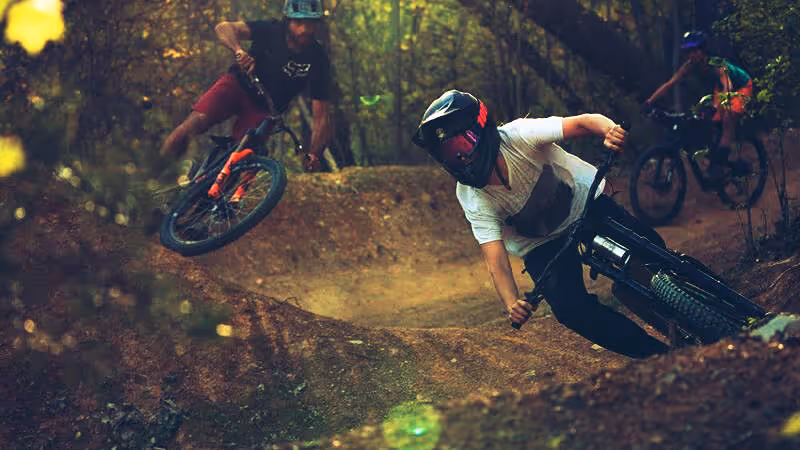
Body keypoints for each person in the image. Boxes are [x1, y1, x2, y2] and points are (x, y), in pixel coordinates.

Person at [412, 89, 670, 359]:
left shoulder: (520, 135)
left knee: (651, 248)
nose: (460, 158)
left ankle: (689, 300)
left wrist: (609, 130)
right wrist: (512, 303)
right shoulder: (472, 196)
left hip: (583, 204)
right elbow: (495, 259)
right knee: (571, 311)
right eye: (450, 153)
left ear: (482, 127)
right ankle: (656, 355)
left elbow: (582, 122)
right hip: (540, 244)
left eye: (462, 145)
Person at [158, 0, 331, 178]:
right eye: (298, 22)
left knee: (244, 162)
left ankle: (213, 202)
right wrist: (239, 50)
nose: (304, 29)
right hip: (237, 85)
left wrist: (315, 154)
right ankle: (154, 178)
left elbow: (322, 117)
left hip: (266, 110)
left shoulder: (318, 59)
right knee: (195, 123)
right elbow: (223, 28)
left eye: (310, 23)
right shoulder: (271, 30)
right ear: (288, 21)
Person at [645, 30, 753, 181]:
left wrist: (717, 106)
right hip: (720, 89)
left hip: (740, 86)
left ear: (703, 50)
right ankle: (717, 155)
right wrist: (650, 101)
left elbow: (727, 85)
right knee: (708, 121)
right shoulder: (689, 66)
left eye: (694, 50)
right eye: (688, 52)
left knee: (728, 118)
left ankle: (719, 164)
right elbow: (670, 84)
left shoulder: (716, 63)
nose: (691, 55)